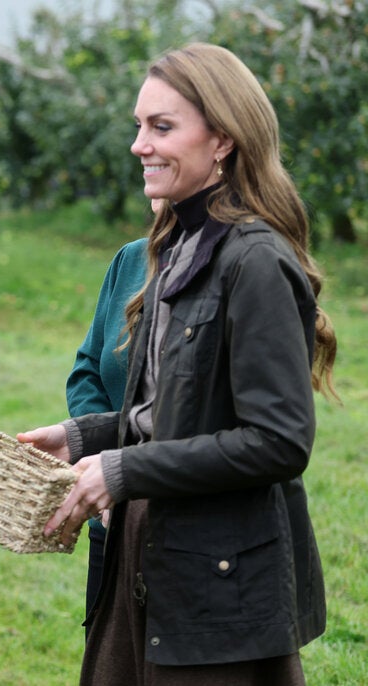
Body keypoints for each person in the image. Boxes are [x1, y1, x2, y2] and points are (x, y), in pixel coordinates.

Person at [19, 43, 336, 684]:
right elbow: (177, 413)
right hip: (148, 551)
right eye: (139, 125)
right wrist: (84, 436)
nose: (140, 144)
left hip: (218, 584)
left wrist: (124, 467)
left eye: (162, 127)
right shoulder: (175, 245)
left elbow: (277, 443)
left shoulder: (255, 261)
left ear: (221, 140)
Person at [65, 234, 147, 627]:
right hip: (111, 518)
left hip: (180, 529)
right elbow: (87, 370)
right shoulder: (131, 259)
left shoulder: (238, 264)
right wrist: (95, 452)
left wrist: (123, 472)